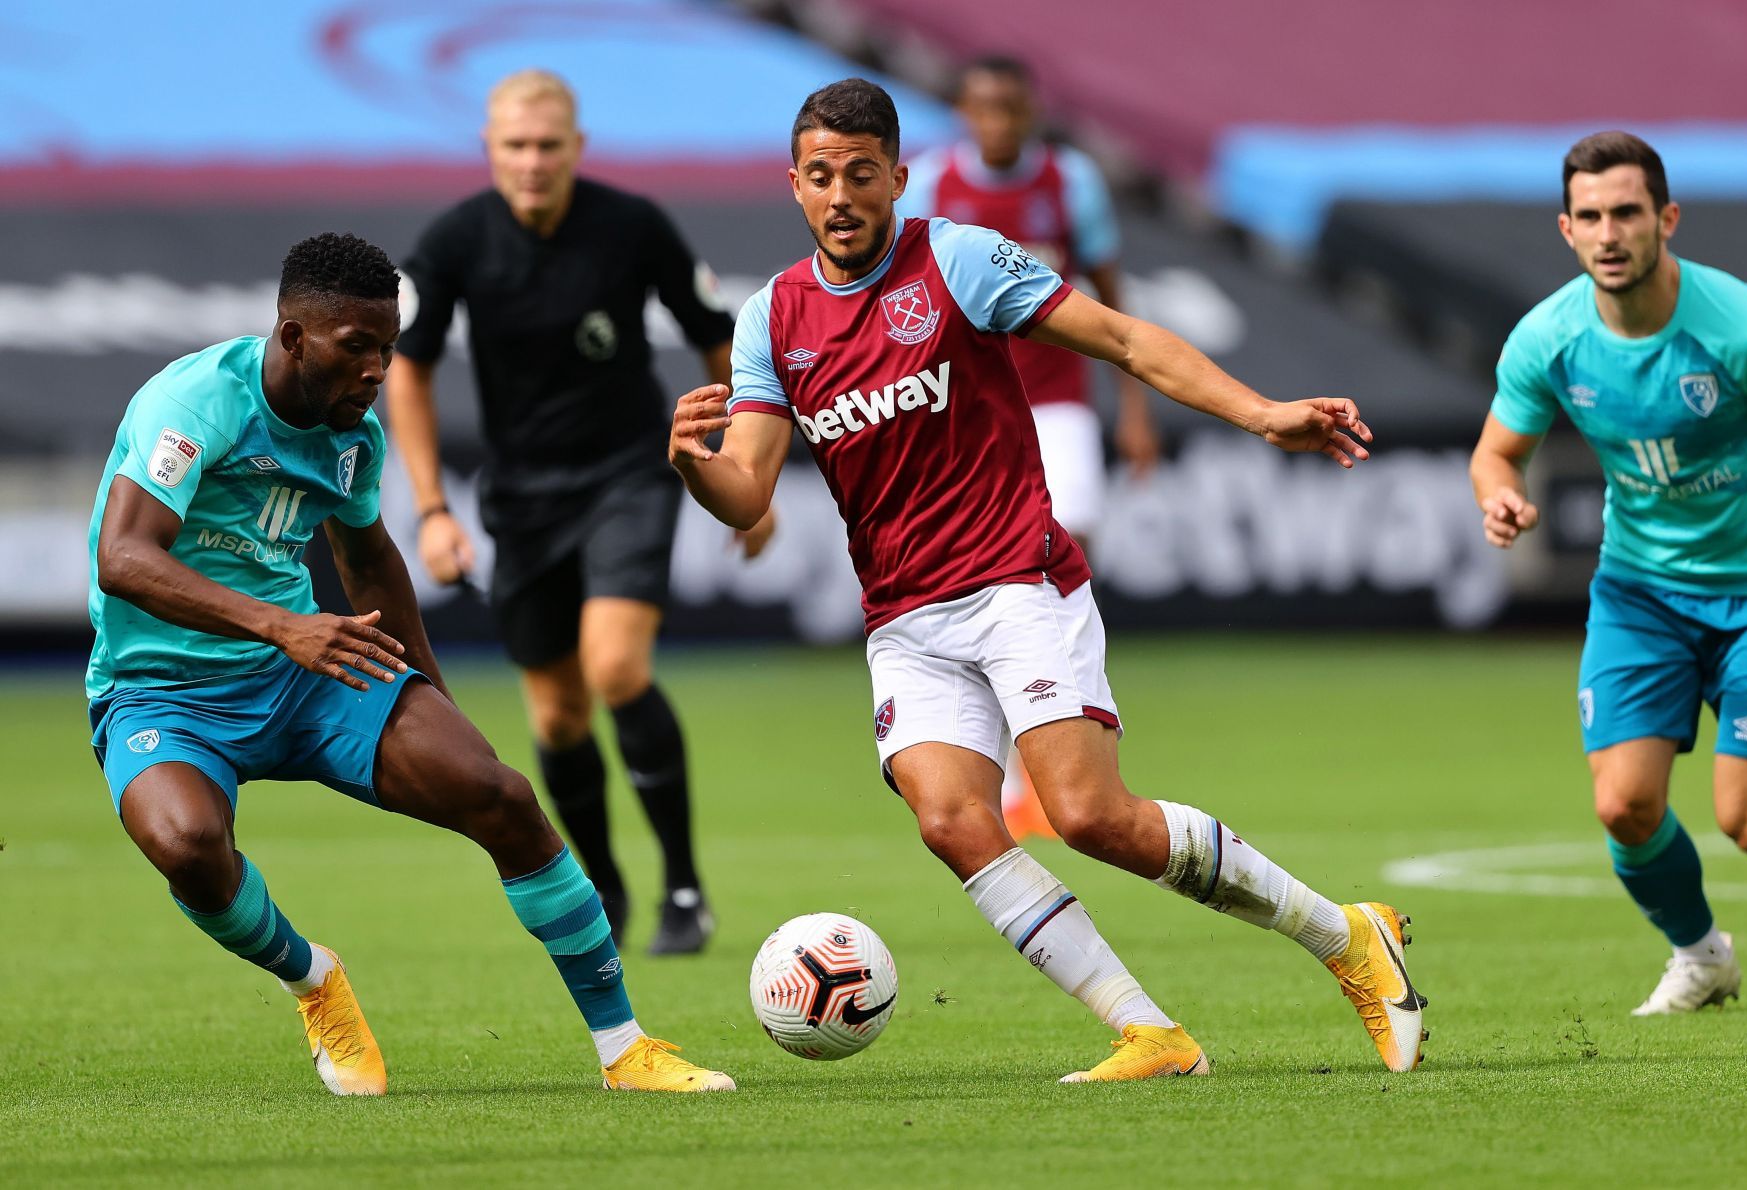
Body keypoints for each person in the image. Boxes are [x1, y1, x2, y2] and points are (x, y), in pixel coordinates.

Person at [669, 79, 1426, 1081]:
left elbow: (1122, 336)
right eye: (821, 177)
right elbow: (748, 487)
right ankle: (1148, 1031)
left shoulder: (957, 259)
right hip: (904, 616)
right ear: (796, 187)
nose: (842, 194)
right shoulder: (773, 315)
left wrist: (1262, 413)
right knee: (950, 818)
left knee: (1087, 815)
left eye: (861, 173)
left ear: (898, 174)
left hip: (1016, 579)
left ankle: (1348, 937)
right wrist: (694, 464)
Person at [86, 232, 733, 1094]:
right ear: (292, 339)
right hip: (162, 687)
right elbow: (124, 557)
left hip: (305, 675)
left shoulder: (353, 435)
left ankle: (625, 1048)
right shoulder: (197, 403)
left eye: (386, 349)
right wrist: (282, 624)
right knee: (189, 846)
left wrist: (426, 692)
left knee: (500, 794)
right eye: (356, 348)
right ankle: (312, 977)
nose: (376, 370)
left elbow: (370, 560)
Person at [1470, 131, 1747, 1015]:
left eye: (1627, 212)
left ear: (1666, 218)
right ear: (1566, 229)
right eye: (1589, 216)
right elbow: (1494, 452)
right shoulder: (1549, 338)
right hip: (1639, 591)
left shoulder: (1740, 325)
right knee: (1625, 804)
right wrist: (1501, 494)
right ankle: (1702, 956)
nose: (1610, 232)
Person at [387, 70, 757, 956]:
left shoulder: (632, 226)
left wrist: (745, 457)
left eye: (549, 145)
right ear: (489, 149)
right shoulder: (455, 243)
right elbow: (409, 367)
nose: (532, 161)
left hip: (629, 472)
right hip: (522, 497)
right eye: (515, 145)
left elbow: (720, 334)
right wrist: (433, 508)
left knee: (617, 667)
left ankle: (684, 887)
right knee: (555, 717)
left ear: (577, 148)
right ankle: (608, 888)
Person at [898, 54, 1158, 842]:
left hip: (1055, 403)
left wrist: (1134, 409)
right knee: (995, 577)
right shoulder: (938, 184)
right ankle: (1016, 770)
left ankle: (1058, 755)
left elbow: (1114, 298)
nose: (998, 123)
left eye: (1011, 108)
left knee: (1066, 553)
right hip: (971, 414)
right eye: (984, 108)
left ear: (1029, 111)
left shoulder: (1069, 182)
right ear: (966, 112)